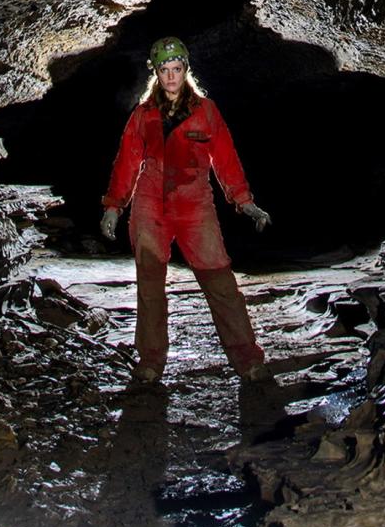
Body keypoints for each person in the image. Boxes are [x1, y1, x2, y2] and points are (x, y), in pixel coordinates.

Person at [100, 36, 273, 384]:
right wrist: (114, 206)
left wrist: (245, 201)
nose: (171, 77)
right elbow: (126, 162)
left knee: (220, 282)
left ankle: (248, 360)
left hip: (195, 207)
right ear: (157, 73)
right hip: (150, 206)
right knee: (149, 287)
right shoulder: (143, 114)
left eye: (176, 69)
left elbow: (225, 159)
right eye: (164, 70)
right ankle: (150, 363)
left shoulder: (206, 111)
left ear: (186, 69)